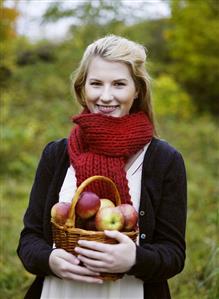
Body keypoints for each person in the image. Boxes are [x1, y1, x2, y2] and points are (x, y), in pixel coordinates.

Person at [17, 34, 187, 299]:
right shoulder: (56, 154)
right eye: (96, 83)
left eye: (119, 84)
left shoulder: (164, 160)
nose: (106, 96)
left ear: (137, 90)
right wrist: (50, 260)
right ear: (82, 89)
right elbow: (29, 240)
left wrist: (135, 259)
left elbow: (173, 255)